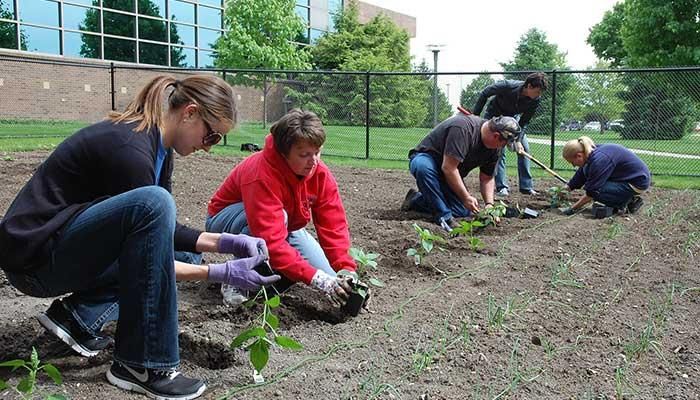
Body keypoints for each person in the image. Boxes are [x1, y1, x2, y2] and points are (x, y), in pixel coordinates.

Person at [0, 75, 280, 400]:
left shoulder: (159, 147)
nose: (208, 146)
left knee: (183, 247)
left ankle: (79, 317)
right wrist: (218, 273)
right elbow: (148, 253)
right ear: (189, 113)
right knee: (156, 204)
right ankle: (142, 363)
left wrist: (223, 242)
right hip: (36, 261)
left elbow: (161, 231)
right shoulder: (130, 150)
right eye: (212, 135)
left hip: (61, 249)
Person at [206, 109, 358, 307]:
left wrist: (346, 270)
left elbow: (334, 226)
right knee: (312, 273)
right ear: (284, 152)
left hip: (284, 227)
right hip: (226, 222)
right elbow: (269, 238)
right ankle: (236, 277)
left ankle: (269, 270)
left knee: (330, 277)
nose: (314, 161)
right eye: (304, 154)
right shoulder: (261, 174)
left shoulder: (319, 173)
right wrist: (315, 278)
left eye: (317, 152)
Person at [400, 112, 522, 232]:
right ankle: (444, 217)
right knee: (423, 168)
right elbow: (449, 168)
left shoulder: (495, 150)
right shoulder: (463, 129)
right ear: (496, 136)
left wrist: (489, 204)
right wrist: (466, 197)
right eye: (505, 143)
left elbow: (487, 178)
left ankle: (416, 200)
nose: (503, 147)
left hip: (449, 172)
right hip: (428, 159)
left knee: (461, 211)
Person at [472, 72, 547, 196]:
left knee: (524, 149)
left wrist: (517, 140)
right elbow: (485, 93)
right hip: (494, 117)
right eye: (538, 91)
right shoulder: (507, 86)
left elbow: (524, 122)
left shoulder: (535, 100)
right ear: (529, 86)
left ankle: (526, 187)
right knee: (498, 151)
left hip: (513, 120)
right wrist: (475, 116)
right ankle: (502, 187)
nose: (539, 95)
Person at [560, 136, 650, 215]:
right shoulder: (590, 153)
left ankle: (628, 201)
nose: (573, 165)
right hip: (623, 178)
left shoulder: (599, 160)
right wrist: (563, 190)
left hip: (636, 182)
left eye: (572, 162)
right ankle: (621, 198)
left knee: (598, 192)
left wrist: (572, 208)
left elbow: (591, 192)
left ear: (579, 155)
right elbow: (580, 176)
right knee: (588, 173)